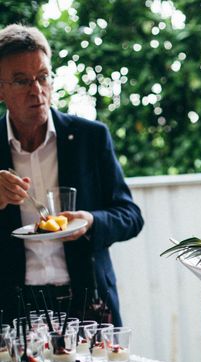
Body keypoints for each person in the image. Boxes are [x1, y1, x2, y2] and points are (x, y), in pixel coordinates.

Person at [0, 24, 143, 327]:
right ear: (0, 89)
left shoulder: (91, 138)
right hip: (11, 308)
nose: (36, 89)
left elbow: (130, 216)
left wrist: (91, 222)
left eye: (42, 77)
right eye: (21, 80)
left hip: (88, 299)